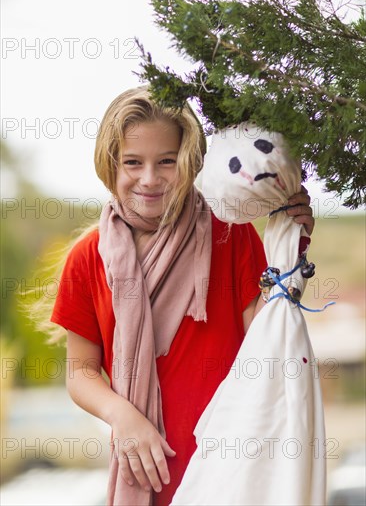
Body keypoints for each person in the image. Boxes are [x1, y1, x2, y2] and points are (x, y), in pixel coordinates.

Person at [49, 84, 314, 506]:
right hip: (147, 465)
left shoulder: (231, 232)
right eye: (133, 162)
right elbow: (80, 372)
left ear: (188, 160)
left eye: (167, 161)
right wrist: (124, 418)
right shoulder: (87, 258)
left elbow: (264, 340)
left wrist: (291, 249)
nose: (150, 179)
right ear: (109, 165)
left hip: (230, 465)